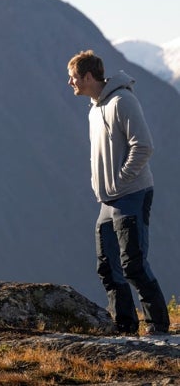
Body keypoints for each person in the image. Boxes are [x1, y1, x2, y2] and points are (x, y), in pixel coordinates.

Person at [67, 50, 170, 335]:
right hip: (108, 200)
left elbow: (144, 146)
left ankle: (158, 327)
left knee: (133, 264)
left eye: (73, 77)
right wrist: (101, 186)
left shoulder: (122, 101)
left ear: (88, 76)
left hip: (131, 194)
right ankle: (124, 327)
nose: (70, 82)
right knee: (107, 267)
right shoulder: (94, 108)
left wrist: (120, 180)